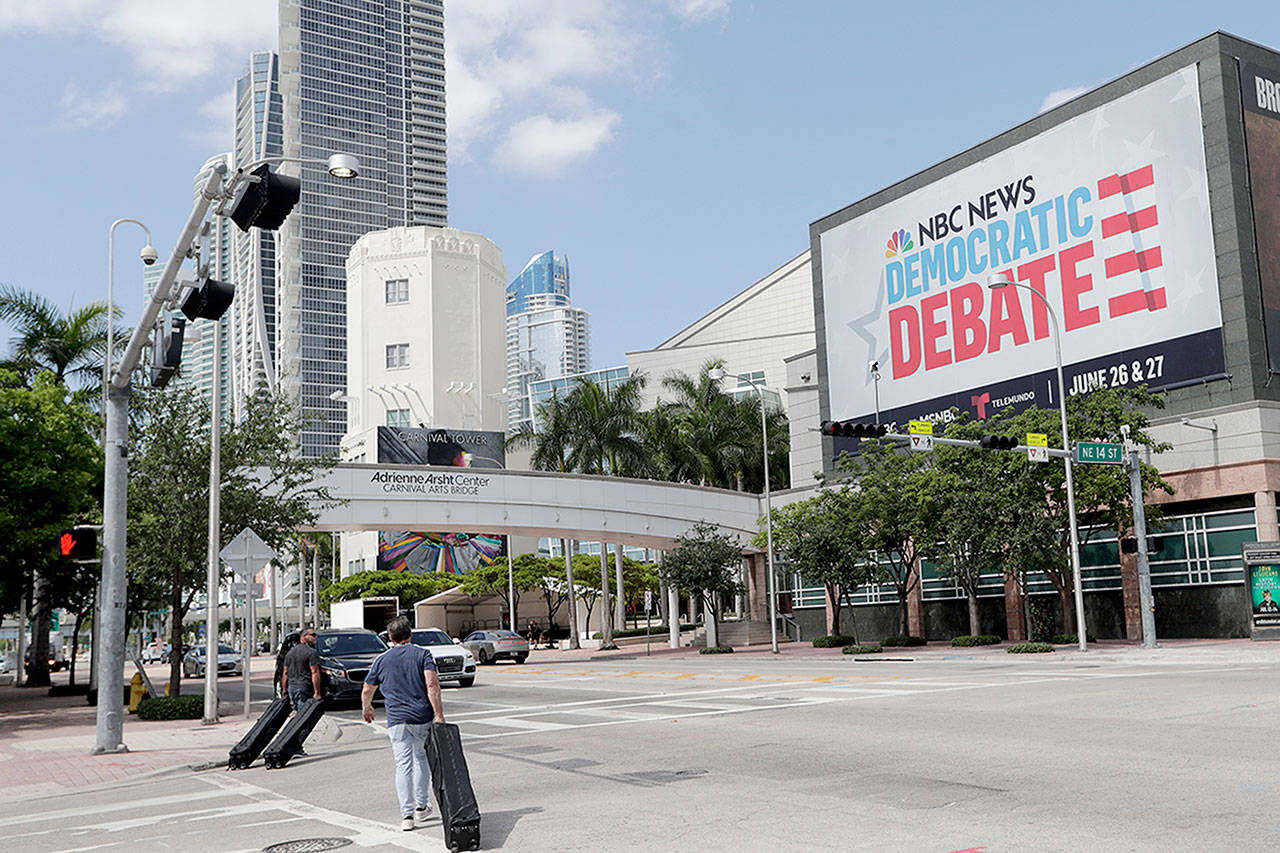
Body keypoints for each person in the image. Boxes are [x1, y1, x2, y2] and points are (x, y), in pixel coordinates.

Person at [363, 616, 447, 832]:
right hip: (422, 716)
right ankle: (421, 807)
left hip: (397, 719)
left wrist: (367, 707)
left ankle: (406, 815)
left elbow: (367, 688)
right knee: (421, 759)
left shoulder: (381, 660)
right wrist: (439, 714)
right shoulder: (423, 654)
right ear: (410, 634)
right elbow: (432, 685)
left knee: (403, 764)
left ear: (390, 638)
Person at [281, 627, 321, 710]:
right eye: (313, 635)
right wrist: (317, 692)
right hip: (304, 687)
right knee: (303, 715)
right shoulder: (311, 652)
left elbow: (285, 673)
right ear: (304, 636)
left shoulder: (290, 653)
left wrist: (284, 690)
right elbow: (315, 672)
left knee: (298, 714)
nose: (315, 637)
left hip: (292, 688)